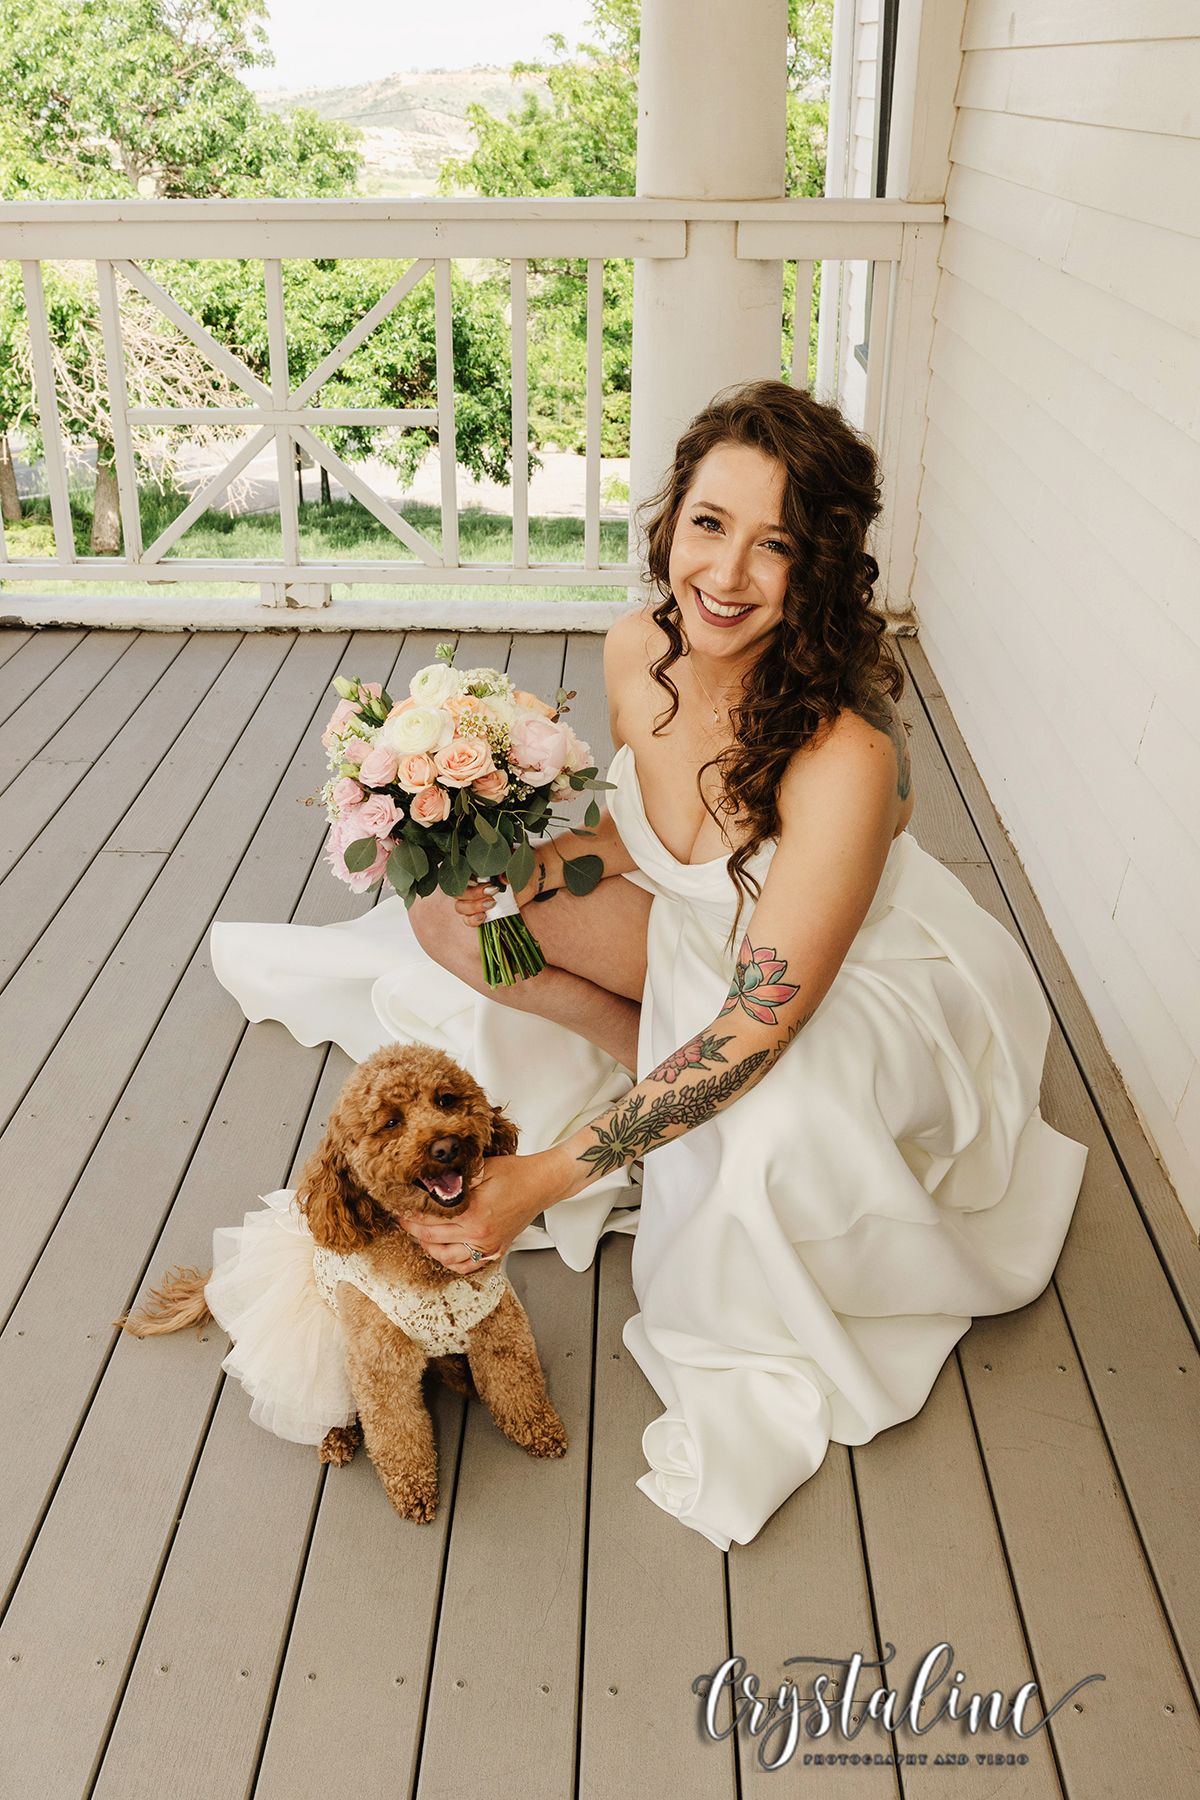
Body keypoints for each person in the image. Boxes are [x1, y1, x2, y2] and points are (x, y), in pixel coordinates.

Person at [210, 378, 1088, 1549]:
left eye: (774, 544)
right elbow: (650, 825)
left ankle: (674, 1100)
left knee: (770, 1139)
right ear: (672, 520)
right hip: (701, 920)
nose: (726, 575)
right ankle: (648, 1062)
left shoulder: (844, 753)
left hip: (835, 985)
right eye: (710, 524)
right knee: (444, 922)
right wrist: (541, 873)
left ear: (818, 565)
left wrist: (550, 1174)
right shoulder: (639, 649)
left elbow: (758, 1019)